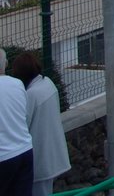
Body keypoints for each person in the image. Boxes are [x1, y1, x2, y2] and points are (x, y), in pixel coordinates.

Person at [8, 53, 70, 196]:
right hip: (51, 154)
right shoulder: (47, 83)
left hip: (39, 158)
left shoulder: (31, 95)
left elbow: (21, 124)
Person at [0, 49, 35, 196]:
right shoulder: (18, 84)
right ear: (5, 64)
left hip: (3, 156)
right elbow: (24, 115)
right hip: (24, 150)